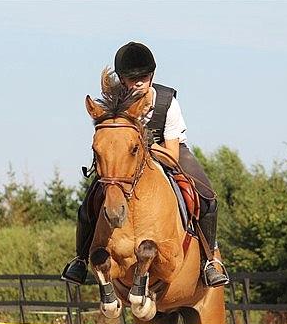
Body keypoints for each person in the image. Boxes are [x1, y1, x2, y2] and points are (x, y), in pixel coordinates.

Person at [61, 41, 229, 287]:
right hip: (125, 160)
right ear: (121, 79)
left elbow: (171, 152)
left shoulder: (166, 101)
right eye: (133, 78)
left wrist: (146, 147)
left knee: (206, 195)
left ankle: (210, 259)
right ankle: (80, 260)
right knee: (90, 202)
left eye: (145, 76)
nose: (139, 82)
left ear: (152, 75)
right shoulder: (114, 101)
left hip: (167, 149)